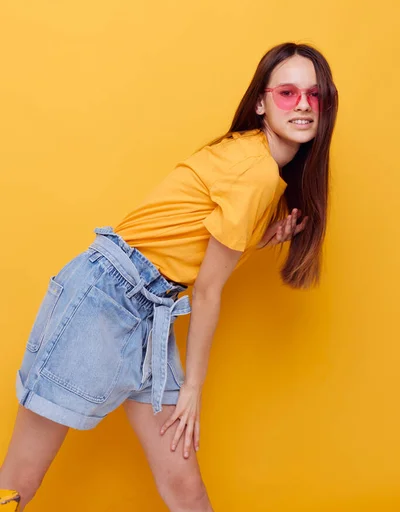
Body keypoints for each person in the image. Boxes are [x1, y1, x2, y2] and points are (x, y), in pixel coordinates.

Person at [0, 42, 338, 511]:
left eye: (313, 95)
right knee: (17, 484)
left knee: (184, 487)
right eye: (287, 93)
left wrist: (258, 240)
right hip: (106, 298)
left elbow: (189, 249)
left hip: (150, 313)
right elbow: (206, 290)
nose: (302, 104)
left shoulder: (254, 162)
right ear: (261, 103)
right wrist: (193, 391)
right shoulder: (256, 171)